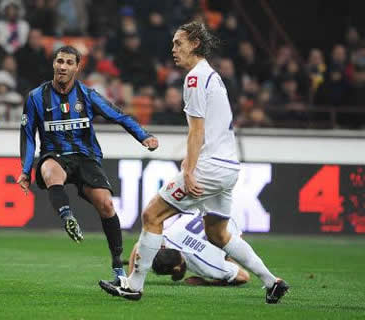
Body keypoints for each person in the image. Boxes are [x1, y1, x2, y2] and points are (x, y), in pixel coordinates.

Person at [98, 21, 289, 303]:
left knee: (152, 215)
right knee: (217, 233)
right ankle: (272, 281)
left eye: (179, 43)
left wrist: (188, 170)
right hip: (228, 168)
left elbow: (197, 131)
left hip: (209, 167)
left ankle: (134, 286)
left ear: (196, 43)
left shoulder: (195, 78)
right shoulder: (212, 76)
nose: (173, 49)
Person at [17, 45, 159, 283]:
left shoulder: (87, 95)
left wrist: (143, 135)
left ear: (77, 67)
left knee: (106, 205)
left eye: (69, 62)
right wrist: (25, 171)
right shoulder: (35, 98)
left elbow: (119, 116)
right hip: (55, 154)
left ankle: (118, 268)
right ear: (53, 64)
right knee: (50, 170)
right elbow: (29, 137)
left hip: (86, 157)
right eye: (59, 61)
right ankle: (67, 217)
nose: (63, 66)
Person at [128, 213, 250, 286]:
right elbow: (139, 245)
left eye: (172, 273)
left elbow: (244, 277)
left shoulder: (206, 265)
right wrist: (131, 279)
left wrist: (206, 283)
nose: (173, 278)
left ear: (177, 268)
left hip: (229, 227)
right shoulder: (169, 237)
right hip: (208, 211)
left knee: (227, 255)